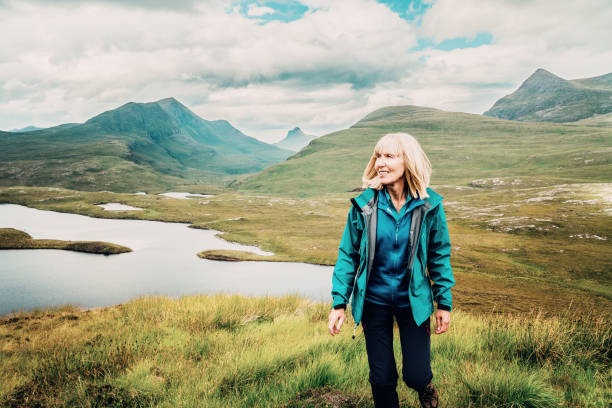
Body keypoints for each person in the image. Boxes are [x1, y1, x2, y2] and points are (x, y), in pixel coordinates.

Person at [328, 133, 455, 408]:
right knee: (382, 378)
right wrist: (339, 302)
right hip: (374, 302)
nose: (380, 163)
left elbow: (439, 255)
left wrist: (444, 302)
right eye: (378, 156)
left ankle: (426, 387)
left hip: (414, 301)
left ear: (407, 161)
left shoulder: (429, 206)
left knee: (416, 374)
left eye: (389, 156)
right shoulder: (364, 206)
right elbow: (348, 255)